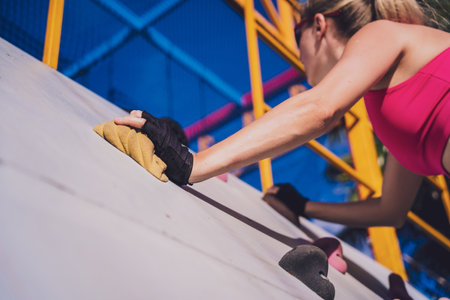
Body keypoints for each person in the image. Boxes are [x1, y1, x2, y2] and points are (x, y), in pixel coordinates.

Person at [114, 0, 449, 228]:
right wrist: (303, 207)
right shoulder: (392, 107)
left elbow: (320, 109)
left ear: (319, 26)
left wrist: (193, 164)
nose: (295, 51)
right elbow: (391, 211)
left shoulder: (379, 33)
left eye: (295, 34)